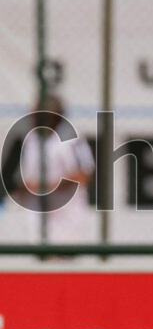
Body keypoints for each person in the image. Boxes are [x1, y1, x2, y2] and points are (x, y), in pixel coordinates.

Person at [11, 94, 95, 244]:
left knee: (64, 259)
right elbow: (22, 178)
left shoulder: (71, 138)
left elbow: (84, 173)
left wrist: (49, 186)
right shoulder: (31, 140)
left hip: (67, 214)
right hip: (37, 212)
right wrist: (25, 188)